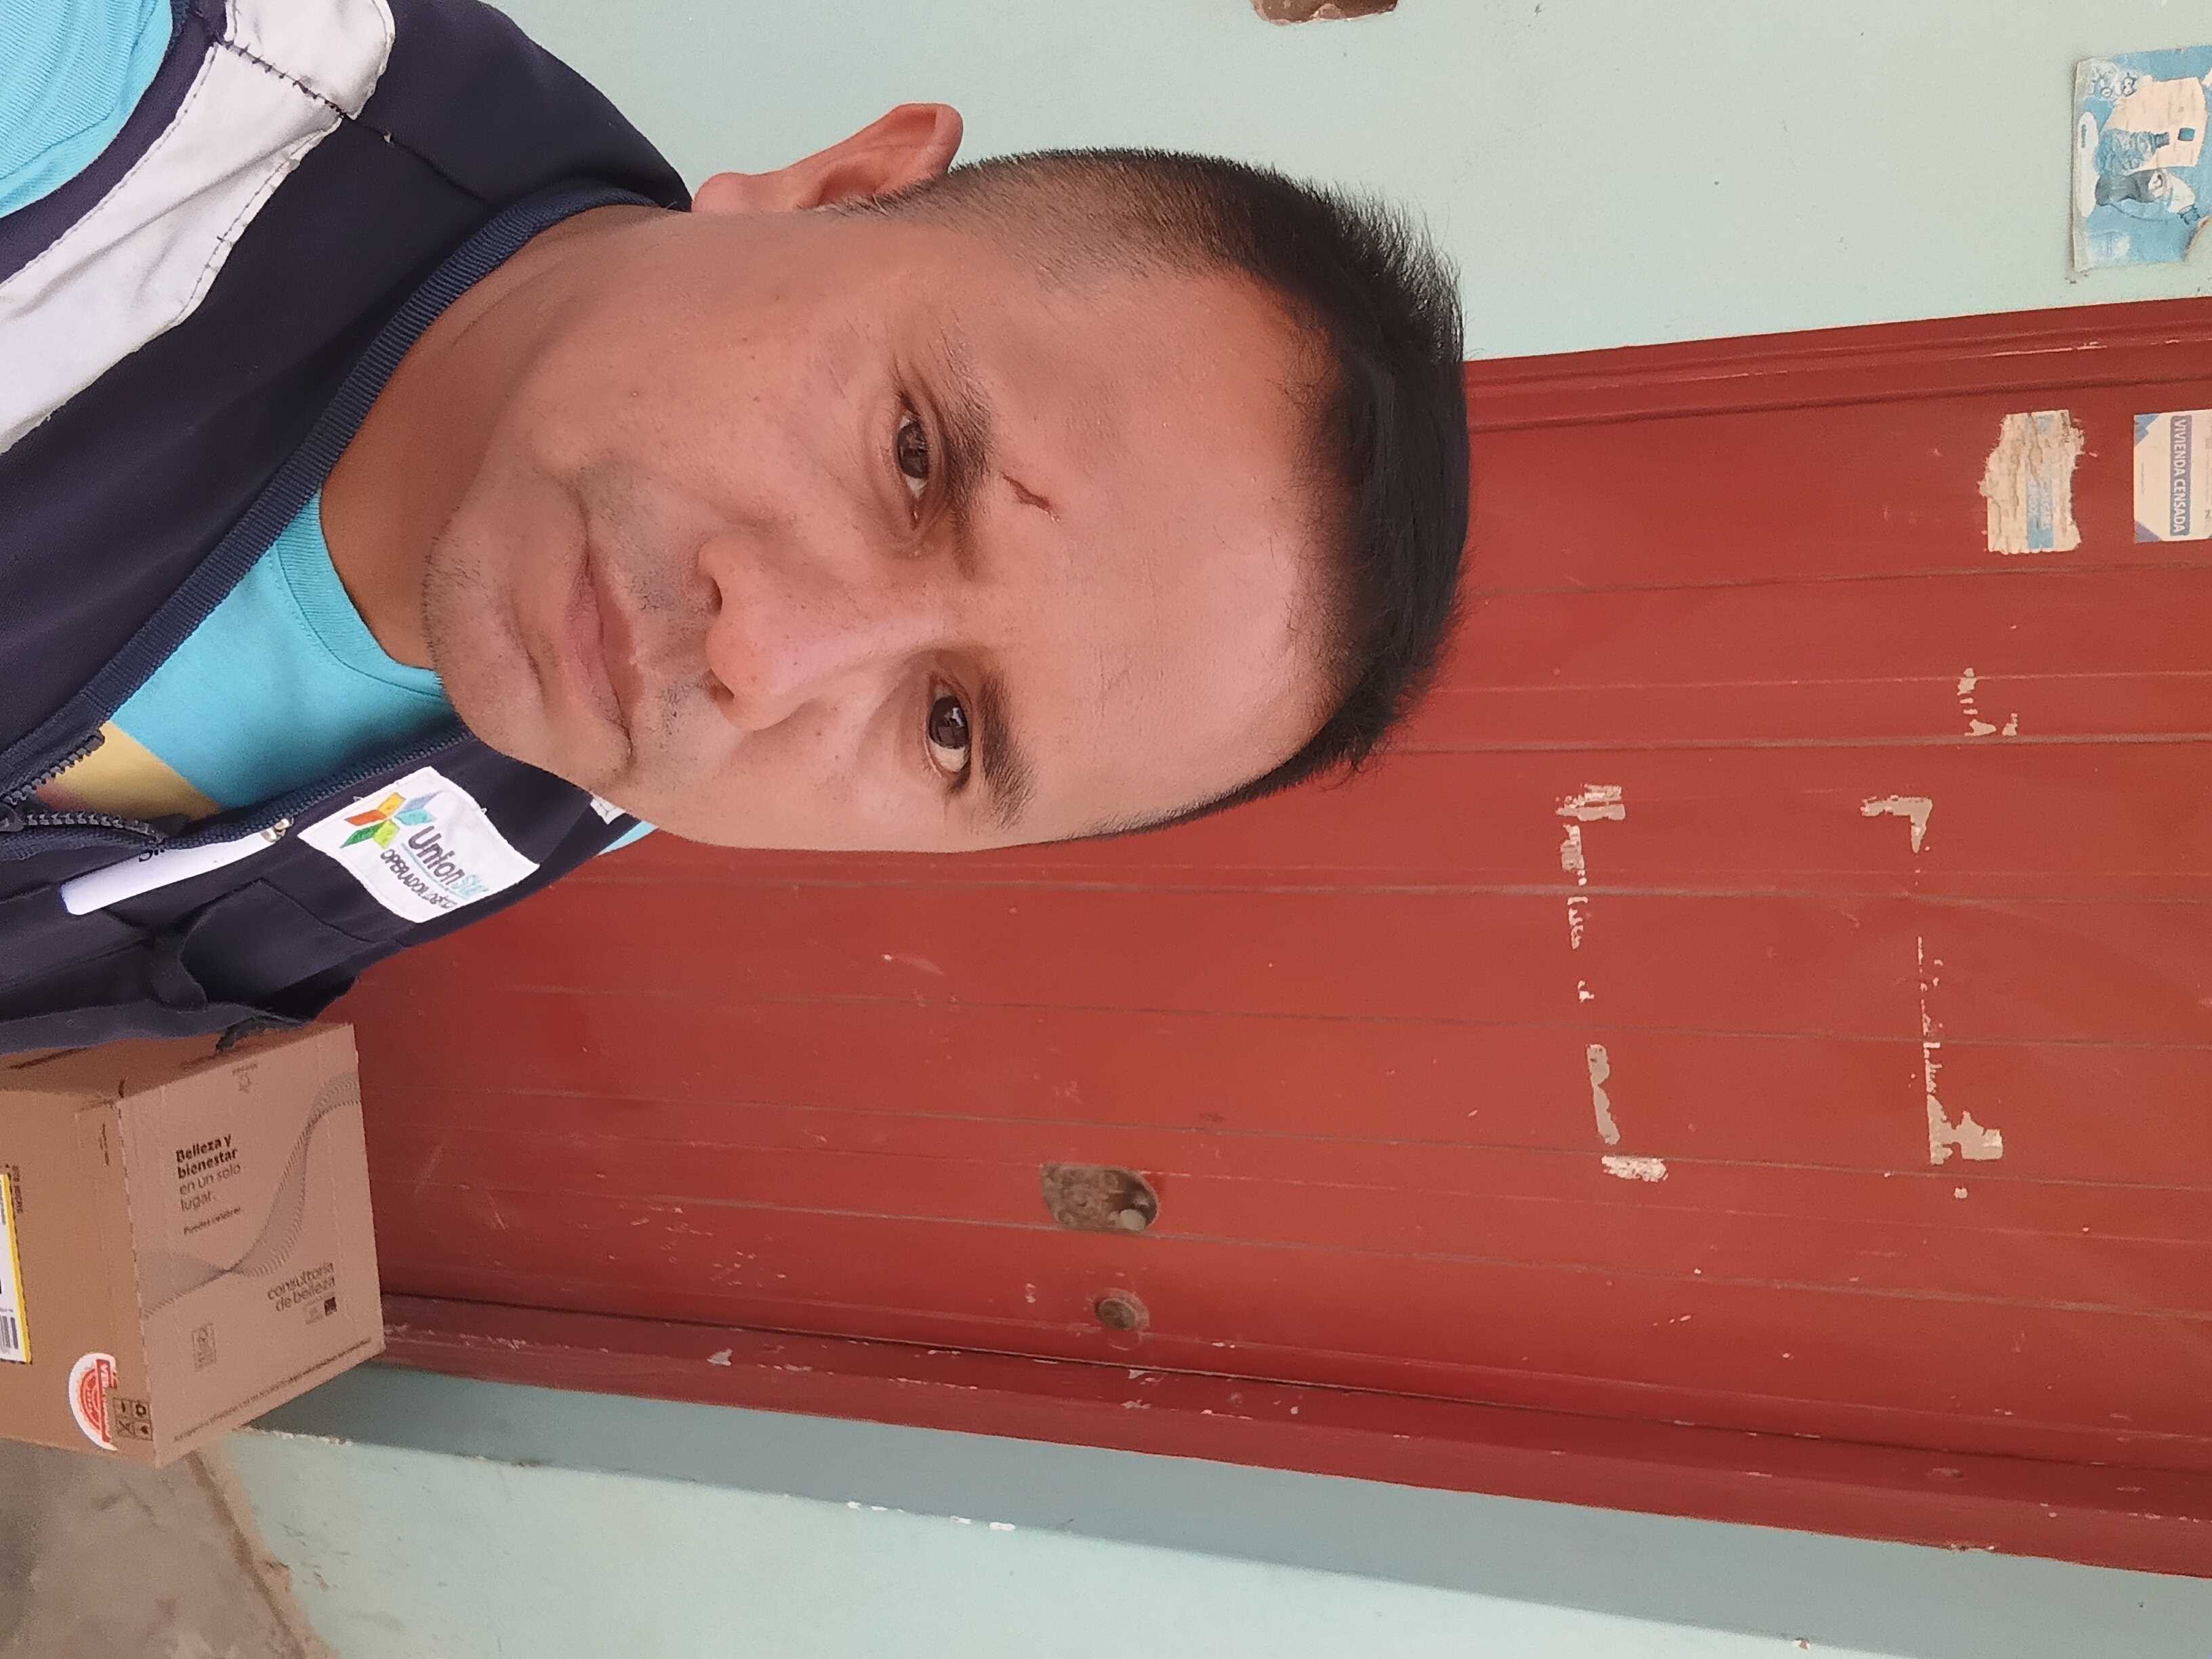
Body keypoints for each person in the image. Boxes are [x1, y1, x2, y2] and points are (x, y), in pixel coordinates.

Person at [0, 0, 1469, 1053]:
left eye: (949, 727)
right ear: (835, 191)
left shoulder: (591, 758)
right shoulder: (94, 106)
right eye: (914, 458)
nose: (765, 661)